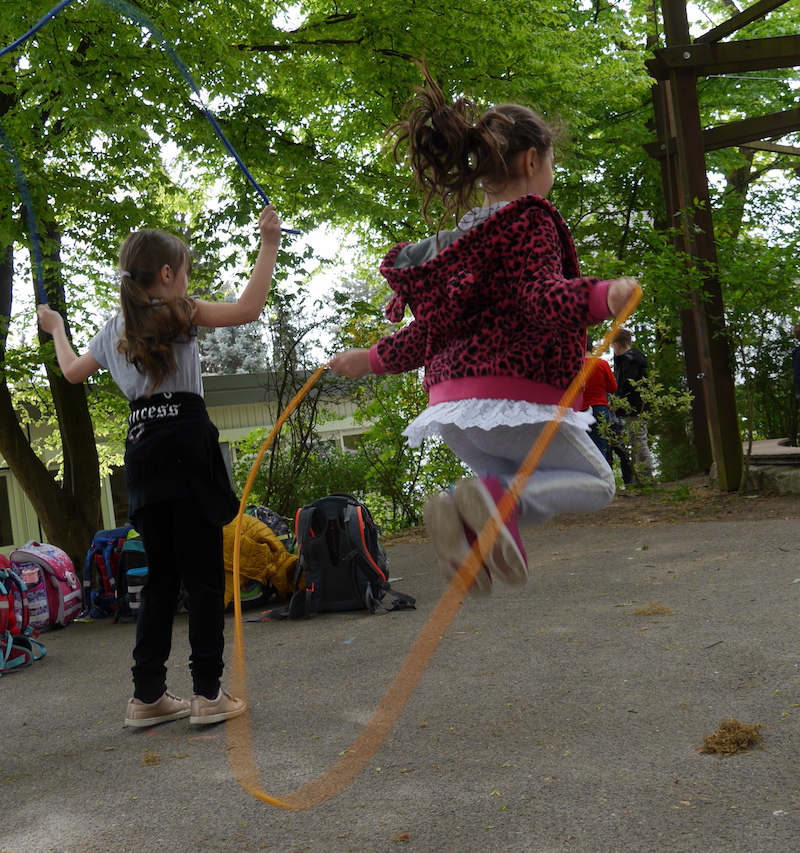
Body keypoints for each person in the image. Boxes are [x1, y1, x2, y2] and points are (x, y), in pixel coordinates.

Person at [328, 67, 639, 595]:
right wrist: (600, 296)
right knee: (596, 481)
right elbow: (539, 295)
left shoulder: (457, 240)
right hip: (514, 395)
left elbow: (428, 330)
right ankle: (489, 511)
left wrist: (372, 358)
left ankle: (475, 527)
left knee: (512, 486)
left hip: (452, 408)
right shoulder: (529, 219)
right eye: (552, 162)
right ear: (533, 160)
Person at [37, 205, 282, 727]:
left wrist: (56, 327)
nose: (187, 281)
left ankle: (147, 697)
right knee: (203, 575)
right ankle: (208, 695)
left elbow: (72, 371)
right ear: (167, 275)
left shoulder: (114, 329)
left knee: (161, 579)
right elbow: (249, 308)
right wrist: (268, 243)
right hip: (187, 452)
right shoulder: (182, 313)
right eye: (185, 271)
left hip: (144, 456)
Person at [611, 328, 654, 481]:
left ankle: (646, 475)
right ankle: (642, 475)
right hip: (639, 406)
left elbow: (626, 385)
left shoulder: (628, 362)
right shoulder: (635, 359)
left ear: (617, 345)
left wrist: (617, 399)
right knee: (637, 440)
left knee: (638, 441)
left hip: (633, 407)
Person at [583, 341, 617, 464]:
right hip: (600, 407)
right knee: (601, 445)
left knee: (584, 446)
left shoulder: (575, 367)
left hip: (580, 411)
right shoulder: (602, 364)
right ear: (592, 348)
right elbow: (613, 387)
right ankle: (602, 472)